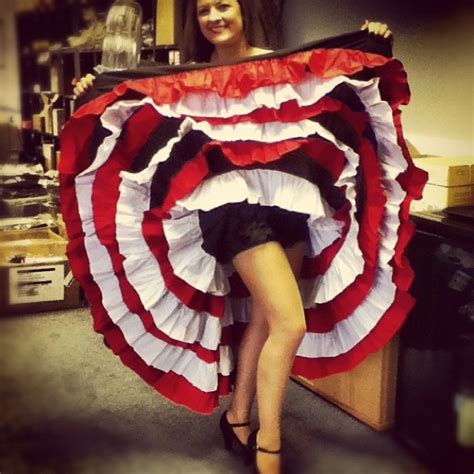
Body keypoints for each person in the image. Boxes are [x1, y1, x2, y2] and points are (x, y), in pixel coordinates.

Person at [68, 2, 396, 474]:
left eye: (224, 4)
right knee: (291, 323)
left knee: (265, 321)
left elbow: (338, 87)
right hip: (232, 213)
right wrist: (92, 91)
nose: (214, 16)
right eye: (204, 9)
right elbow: (129, 107)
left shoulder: (280, 62)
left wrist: (372, 44)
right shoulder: (186, 79)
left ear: (243, 9)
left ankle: (239, 418)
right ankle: (270, 446)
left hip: (289, 203)